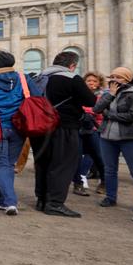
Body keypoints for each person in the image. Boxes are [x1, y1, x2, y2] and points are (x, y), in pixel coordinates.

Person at [31, 51, 96, 218]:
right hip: (64, 126)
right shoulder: (71, 78)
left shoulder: (38, 77)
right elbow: (90, 101)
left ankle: (42, 200)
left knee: (43, 163)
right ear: (72, 65)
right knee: (63, 164)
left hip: (39, 127)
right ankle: (55, 203)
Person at [0, 51, 42, 214]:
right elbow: (38, 97)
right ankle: (4, 201)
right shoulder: (24, 79)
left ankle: (9, 202)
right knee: (8, 164)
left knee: (2, 165)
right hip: (19, 128)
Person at [92, 66, 133, 212]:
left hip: (129, 137)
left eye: (118, 77)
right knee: (110, 170)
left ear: (128, 79)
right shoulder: (109, 93)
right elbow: (97, 109)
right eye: (112, 76)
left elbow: (132, 116)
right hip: (107, 136)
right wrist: (111, 94)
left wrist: (110, 115)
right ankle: (111, 198)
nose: (114, 80)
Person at [72, 71, 106, 197]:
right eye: (88, 81)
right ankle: (78, 183)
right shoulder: (78, 95)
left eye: (94, 81)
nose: (91, 83)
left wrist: (88, 111)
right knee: (76, 157)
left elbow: (100, 113)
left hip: (94, 130)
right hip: (79, 128)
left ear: (99, 84)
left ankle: (104, 181)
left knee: (99, 157)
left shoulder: (102, 96)